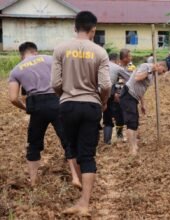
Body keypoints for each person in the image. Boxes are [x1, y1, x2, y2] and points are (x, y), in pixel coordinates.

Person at [51, 11, 112, 216]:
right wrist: (102, 102)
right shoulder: (100, 52)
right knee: (88, 155)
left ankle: (78, 189)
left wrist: (66, 95)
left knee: (72, 148)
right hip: (91, 106)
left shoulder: (60, 49)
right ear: (93, 29)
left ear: (74, 27)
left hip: (67, 105)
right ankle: (84, 203)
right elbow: (105, 85)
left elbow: (55, 83)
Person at [8, 42, 80, 188]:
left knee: (33, 144)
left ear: (22, 54)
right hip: (57, 100)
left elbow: (13, 98)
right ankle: (76, 178)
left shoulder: (16, 70)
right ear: (35, 51)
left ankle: (34, 181)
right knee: (67, 140)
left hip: (36, 105)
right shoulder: (49, 59)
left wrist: (26, 108)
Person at [119, 62, 167, 156]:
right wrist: (150, 70)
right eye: (163, 70)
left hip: (135, 98)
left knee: (135, 122)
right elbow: (137, 77)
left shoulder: (153, 75)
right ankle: (132, 149)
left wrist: (143, 104)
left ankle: (135, 145)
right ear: (159, 65)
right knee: (131, 122)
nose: (163, 73)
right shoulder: (146, 66)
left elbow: (142, 89)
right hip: (128, 94)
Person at [103, 53, 131, 144]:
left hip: (111, 94)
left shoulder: (130, 67)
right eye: (129, 56)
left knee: (117, 117)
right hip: (113, 94)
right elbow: (127, 80)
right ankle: (114, 137)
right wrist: (116, 93)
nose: (130, 58)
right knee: (116, 116)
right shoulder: (118, 68)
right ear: (122, 58)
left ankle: (117, 136)